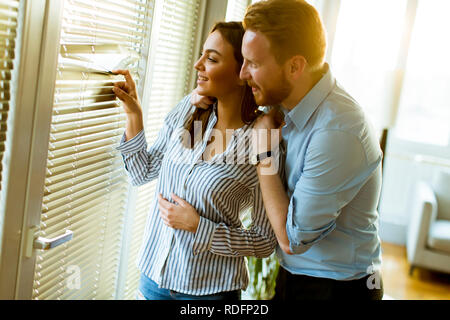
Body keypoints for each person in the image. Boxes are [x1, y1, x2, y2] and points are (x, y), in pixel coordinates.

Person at [193, 0, 384, 300]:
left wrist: (264, 156)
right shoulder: (285, 97)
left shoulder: (337, 132)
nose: (243, 74)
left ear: (295, 66)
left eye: (253, 64)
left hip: (338, 287)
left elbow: (291, 239)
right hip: (296, 276)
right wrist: (205, 96)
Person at [112, 21, 281, 300]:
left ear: (243, 73)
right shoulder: (189, 108)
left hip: (209, 292)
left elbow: (264, 241)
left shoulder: (263, 141)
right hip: (154, 278)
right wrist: (134, 114)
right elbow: (142, 172)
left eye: (211, 58)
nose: (198, 64)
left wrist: (200, 227)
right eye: (202, 54)